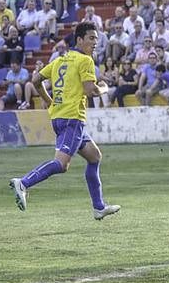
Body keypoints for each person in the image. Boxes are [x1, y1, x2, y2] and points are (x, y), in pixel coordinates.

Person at [8, 23, 120, 220]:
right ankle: (23, 183)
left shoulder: (60, 60)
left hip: (60, 117)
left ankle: (99, 207)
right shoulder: (85, 60)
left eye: (96, 38)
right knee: (61, 164)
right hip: (72, 119)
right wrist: (104, 88)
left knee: (94, 157)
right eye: (91, 38)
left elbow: (34, 81)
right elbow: (90, 91)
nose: (95, 42)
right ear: (79, 40)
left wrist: (50, 101)